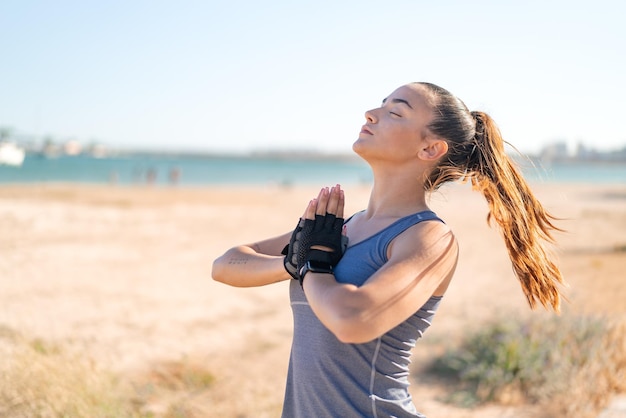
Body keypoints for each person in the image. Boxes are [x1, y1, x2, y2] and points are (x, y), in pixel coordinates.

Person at [211, 82, 564, 417]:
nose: (370, 114)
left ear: (429, 149)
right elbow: (226, 264)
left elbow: (353, 321)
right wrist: (293, 263)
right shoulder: (341, 227)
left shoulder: (428, 238)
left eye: (396, 112)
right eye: (380, 105)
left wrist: (315, 267)